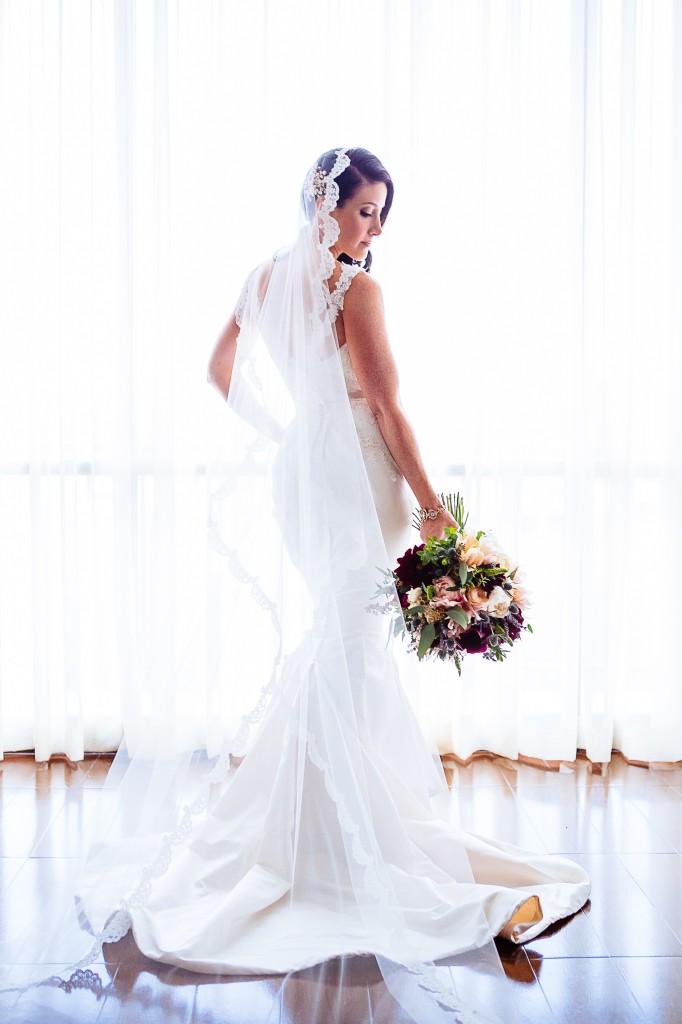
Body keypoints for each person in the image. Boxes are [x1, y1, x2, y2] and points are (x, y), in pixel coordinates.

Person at [6, 148, 589, 1024]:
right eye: (364, 212)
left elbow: (219, 372)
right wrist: (436, 513)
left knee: (339, 640)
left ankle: (309, 825)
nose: (374, 230)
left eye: (383, 216)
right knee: (349, 642)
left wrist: (288, 430)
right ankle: (340, 844)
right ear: (325, 206)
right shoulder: (355, 290)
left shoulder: (266, 277)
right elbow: (388, 409)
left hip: (304, 473)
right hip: (353, 473)